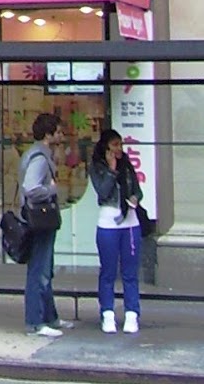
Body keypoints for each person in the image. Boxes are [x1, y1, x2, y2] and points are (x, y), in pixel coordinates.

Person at [19, 111, 67, 337]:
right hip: (40, 217)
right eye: (58, 131)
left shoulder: (36, 154)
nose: (61, 136)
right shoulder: (39, 158)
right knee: (39, 268)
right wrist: (51, 190)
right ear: (48, 134)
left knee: (44, 267)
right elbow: (31, 188)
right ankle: (36, 321)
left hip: (39, 217)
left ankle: (50, 317)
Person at [90, 127, 142, 334]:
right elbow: (102, 191)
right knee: (108, 271)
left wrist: (135, 198)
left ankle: (132, 314)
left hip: (130, 222)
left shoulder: (127, 164)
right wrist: (111, 170)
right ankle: (107, 314)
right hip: (108, 222)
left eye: (120, 144)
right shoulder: (97, 167)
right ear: (106, 147)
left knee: (130, 272)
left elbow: (137, 189)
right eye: (114, 145)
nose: (119, 149)